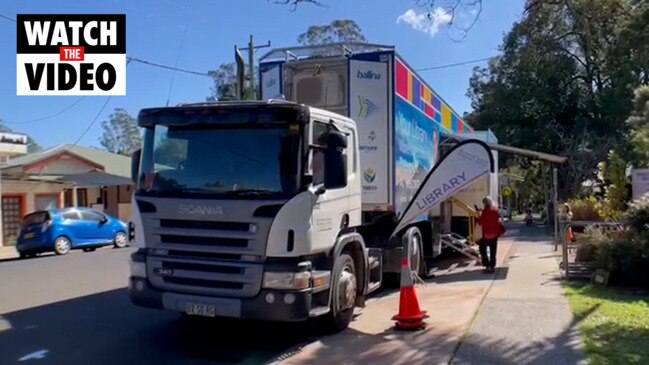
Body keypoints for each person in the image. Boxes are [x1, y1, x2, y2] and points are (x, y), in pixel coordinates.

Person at [477, 196, 504, 273]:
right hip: (495, 234)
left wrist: (479, 214)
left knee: (482, 248)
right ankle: (492, 266)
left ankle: (487, 265)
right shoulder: (495, 210)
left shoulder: (485, 212)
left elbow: (480, 222)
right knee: (493, 250)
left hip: (486, 234)